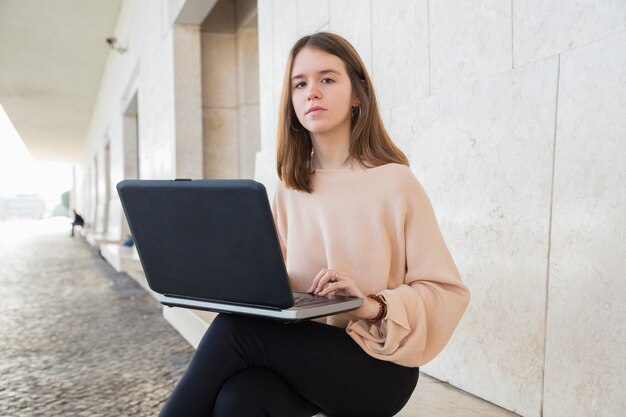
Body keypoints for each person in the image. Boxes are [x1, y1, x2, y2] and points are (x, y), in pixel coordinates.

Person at [158, 32, 470, 417]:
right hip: (303, 356)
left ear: (357, 94)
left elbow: (447, 292)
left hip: (377, 366)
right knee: (240, 399)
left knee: (233, 331)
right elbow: (271, 283)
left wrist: (369, 305)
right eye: (300, 84)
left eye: (327, 79)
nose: (312, 93)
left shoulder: (396, 183)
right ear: (290, 102)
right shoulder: (290, 188)